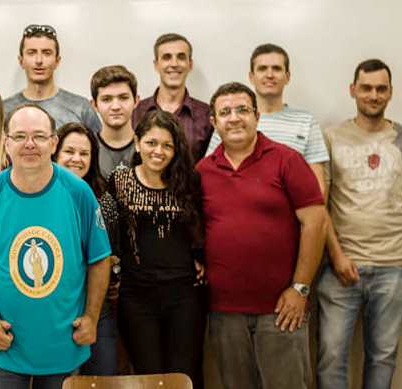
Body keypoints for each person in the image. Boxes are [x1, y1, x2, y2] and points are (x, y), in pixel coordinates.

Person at [0, 104, 111, 389]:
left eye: (39, 136)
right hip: (5, 349)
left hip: (63, 347)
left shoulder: (79, 193)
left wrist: (91, 317)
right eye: (20, 136)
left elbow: (99, 259)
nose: (29, 144)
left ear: (53, 143)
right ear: (6, 142)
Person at [197, 82, 326, 389]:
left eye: (242, 110)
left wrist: (301, 288)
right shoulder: (202, 171)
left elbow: (316, 223)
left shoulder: (287, 160)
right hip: (224, 312)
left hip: (282, 309)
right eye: (225, 112)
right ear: (214, 122)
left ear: (257, 116)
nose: (235, 118)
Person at [316, 59, 402, 389]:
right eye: (366, 88)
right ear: (352, 90)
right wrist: (337, 256)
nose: (373, 95)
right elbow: (319, 206)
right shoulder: (332, 137)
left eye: (381, 89)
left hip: (394, 266)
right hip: (341, 267)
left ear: (390, 93)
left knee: (383, 356)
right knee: (331, 356)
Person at [106, 111, 206, 386]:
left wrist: (200, 259)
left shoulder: (188, 181)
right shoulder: (120, 181)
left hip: (183, 295)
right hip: (136, 297)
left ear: (176, 150)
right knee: (149, 376)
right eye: (151, 143)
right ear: (137, 143)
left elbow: (202, 229)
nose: (158, 151)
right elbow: (109, 236)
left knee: (183, 375)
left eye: (167, 145)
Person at [205, 43, 328, 191]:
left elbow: (317, 186)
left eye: (276, 68)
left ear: (287, 77)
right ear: (251, 77)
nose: (269, 75)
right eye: (262, 69)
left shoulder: (306, 122)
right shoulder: (232, 123)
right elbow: (211, 174)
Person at [53, 122, 119, 376]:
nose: (76, 159)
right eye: (69, 152)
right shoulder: (37, 196)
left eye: (84, 153)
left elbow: (112, 256)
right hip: (53, 310)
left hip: (96, 309)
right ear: (55, 153)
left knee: (103, 377)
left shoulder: (103, 201)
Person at [2, 24, 102, 133]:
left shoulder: (81, 108)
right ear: (21, 61)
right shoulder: (4, 110)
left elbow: (98, 148)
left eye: (47, 53)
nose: (39, 60)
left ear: (57, 61)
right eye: (31, 53)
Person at [133, 33, 212, 163]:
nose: (174, 64)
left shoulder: (206, 115)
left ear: (190, 64)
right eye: (167, 57)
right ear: (156, 65)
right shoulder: (136, 111)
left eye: (181, 57)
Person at [90, 65, 138, 178]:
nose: (115, 106)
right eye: (106, 99)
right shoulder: (87, 150)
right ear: (94, 105)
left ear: (136, 101)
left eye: (123, 98)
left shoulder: (150, 149)